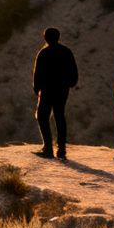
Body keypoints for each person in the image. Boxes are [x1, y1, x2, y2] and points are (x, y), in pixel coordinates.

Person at [31, 26, 78, 158]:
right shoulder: (66, 51)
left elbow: (37, 74)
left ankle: (48, 147)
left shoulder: (44, 53)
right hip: (62, 90)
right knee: (60, 117)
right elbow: (73, 72)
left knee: (42, 117)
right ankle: (61, 149)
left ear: (45, 38)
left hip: (47, 90)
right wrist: (70, 83)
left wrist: (37, 89)